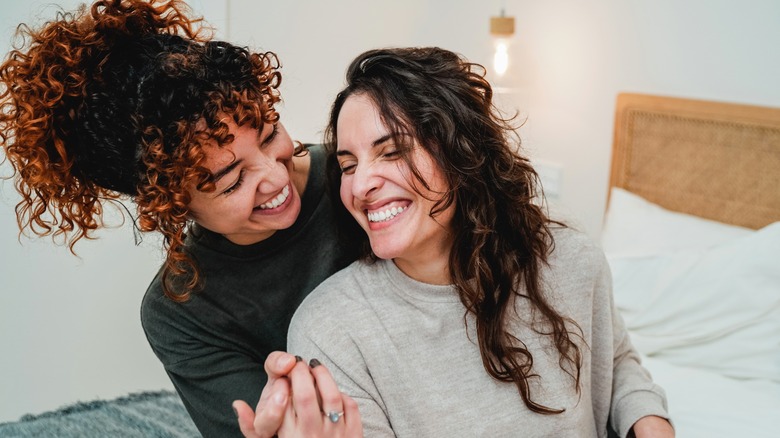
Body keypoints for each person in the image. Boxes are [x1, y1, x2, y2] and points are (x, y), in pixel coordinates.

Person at [241, 47, 675, 437]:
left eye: (392, 152)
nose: (360, 185)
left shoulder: (571, 260)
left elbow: (616, 362)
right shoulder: (331, 331)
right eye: (348, 165)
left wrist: (649, 420)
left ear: (460, 152)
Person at [0, 1, 357, 436]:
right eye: (232, 181)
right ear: (170, 204)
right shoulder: (182, 312)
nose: (276, 176)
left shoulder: (358, 177)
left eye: (269, 135)